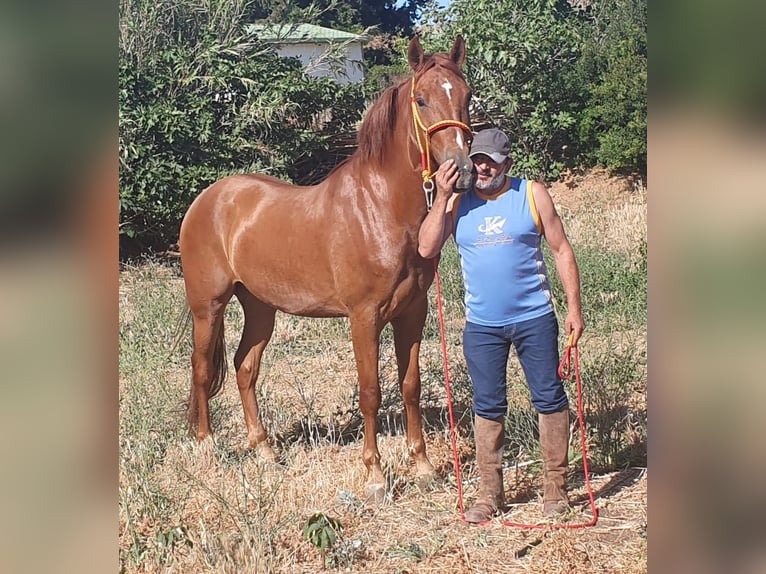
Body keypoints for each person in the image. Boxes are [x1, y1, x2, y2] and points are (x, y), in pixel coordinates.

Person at [418, 128, 585, 523]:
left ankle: (555, 492)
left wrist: (574, 309)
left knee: (549, 398)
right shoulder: (458, 202)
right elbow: (426, 248)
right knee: (488, 405)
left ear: (507, 163)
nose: (482, 166)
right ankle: (489, 496)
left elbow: (561, 249)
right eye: (477, 159)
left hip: (534, 319)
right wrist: (441, 197)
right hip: (483, 327)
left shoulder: (532, 193)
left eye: (490, 160)